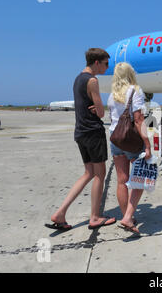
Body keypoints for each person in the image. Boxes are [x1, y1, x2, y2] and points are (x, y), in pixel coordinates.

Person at [46, 48, 116, 231]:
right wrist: (98, 109)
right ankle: (95, 217)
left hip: (81, 132)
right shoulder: (92, 80)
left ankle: (60, 213)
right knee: (100, 174)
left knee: (88, 173)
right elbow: (101, 113)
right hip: (93, 132)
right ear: (96, 63)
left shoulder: (78, 79)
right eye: (106, 63)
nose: (107, 67)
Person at [107, 62, 152, 234]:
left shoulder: (113, 95)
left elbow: (113, 118)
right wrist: (147, 145)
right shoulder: (135, 90)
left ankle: (127, 216)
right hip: (131, 140)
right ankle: (127, 217)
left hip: (115, 139)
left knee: (122, 180)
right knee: (140, 178)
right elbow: (139, 119)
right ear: (130, 74)